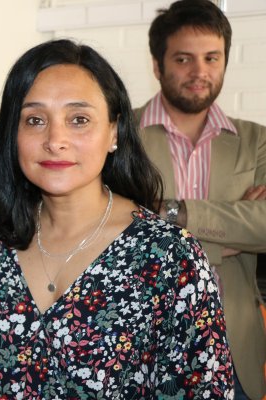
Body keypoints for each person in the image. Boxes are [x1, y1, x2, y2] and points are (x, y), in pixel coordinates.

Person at [0, 38, 233, 399]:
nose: (55, 140)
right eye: (35, 120)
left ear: (114, 132)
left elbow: (202, 388)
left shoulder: (169, 257)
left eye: (78, 120)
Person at [134, 1, 266, 398]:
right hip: (143, 349)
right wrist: (230, 232)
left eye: (212, 57)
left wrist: (169, 213)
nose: (199, 72)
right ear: (157, 65)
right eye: (183, 59)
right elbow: (113, 231)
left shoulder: (257, 142)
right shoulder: (119, 136)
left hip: (233, 349)